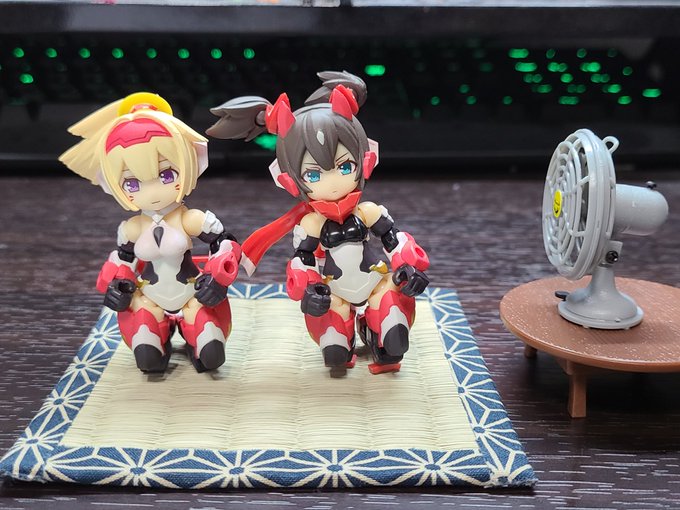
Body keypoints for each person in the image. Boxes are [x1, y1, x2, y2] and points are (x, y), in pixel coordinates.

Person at [208, 72, 429, 376]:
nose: (333, 181)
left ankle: (382, 337)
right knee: (334, 351)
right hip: (335, 291)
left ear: (364, 159)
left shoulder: (367, 212)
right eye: (313, 174)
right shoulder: (311, 224)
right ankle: (344, 339)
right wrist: (310, 289)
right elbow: (303, 261)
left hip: (376, 283)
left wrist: (408, 268)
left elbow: (395, 240)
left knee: (394, 332)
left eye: (345, 166)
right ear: (290, 180)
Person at [60, 92, 240, 373]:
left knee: (211, 349)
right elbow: (120, 263)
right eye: (132, 184)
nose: (153, 191)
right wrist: (116, 287)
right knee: (147, 355)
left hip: (192, 296)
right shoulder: (132, 228)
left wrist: (217, 279)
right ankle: (159, 336)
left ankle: (195, 335)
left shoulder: (191, 219)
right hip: (149, 299)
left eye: (167, 175)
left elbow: (225, 245)